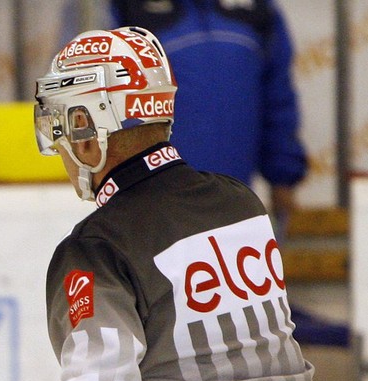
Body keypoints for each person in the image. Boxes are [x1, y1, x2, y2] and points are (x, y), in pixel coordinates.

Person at [32, 26, 347, 381]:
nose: (60, 145)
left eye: (62, 126)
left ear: (86, 130)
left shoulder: (96, 248)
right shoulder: (241, 202)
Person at [58, 0, 306, 231]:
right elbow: (80, 94)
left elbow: (277, 95)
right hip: (147, 208)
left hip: (234, 203)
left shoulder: (257, 9)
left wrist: (283, 177)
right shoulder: (116, 6)